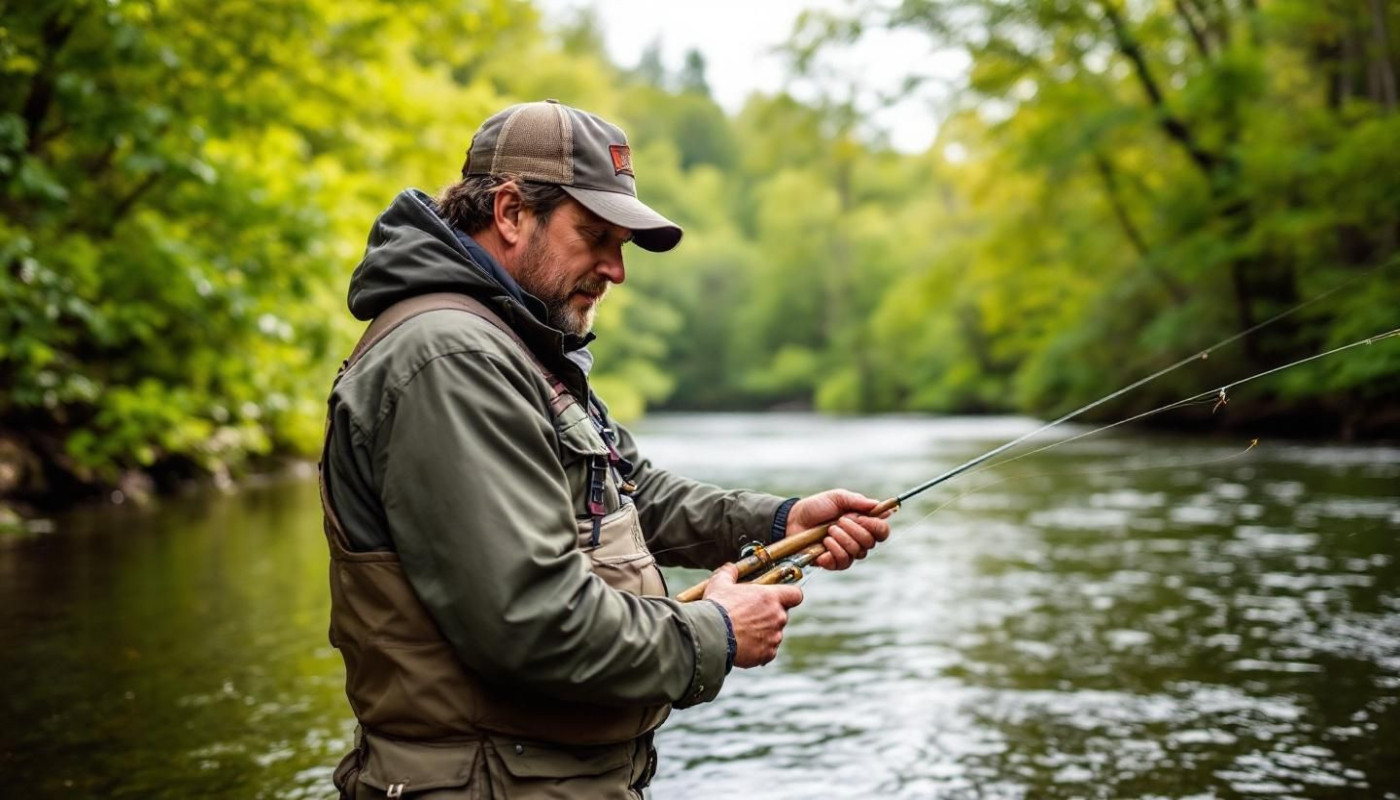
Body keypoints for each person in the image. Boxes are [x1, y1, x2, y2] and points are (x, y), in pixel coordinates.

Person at [319, 100, 891, 799]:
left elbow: (629, 492)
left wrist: (781, 521)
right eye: (595, 236)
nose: (615, 270)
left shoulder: (517, 345)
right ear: (509, 212)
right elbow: (529, 621)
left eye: (621, 245)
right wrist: (714, 632)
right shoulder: (452, 359)